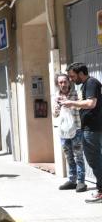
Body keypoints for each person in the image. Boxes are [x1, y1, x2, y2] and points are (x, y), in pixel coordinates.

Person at [62, 62, 102, 203]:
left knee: (95, 160)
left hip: (92, 128)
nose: (71, 79)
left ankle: (101, 191)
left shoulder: (91, 83)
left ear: (80, 73)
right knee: (95, 160)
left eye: (72, 76)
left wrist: (71, 103)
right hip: (90, 128)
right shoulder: (86, 84)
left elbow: (91, 104)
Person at [53, 73, 87, 192]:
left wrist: (68, 102)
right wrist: (57, 105)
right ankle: (72, 180)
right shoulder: (56, 95)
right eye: (60, 82)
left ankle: (81, 182)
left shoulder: (76, 93)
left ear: (69, 82)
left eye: (65, 81)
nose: (63, 84)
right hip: (63, 130)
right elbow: (55, 114)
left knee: (78, 156)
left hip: (76, 128)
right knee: (68, 156)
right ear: (58, 84)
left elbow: (81, 107)